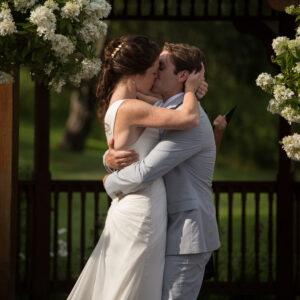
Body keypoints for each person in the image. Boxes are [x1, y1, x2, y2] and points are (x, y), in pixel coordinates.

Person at [67, 35, 205, 300]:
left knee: (126, 279)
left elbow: (156, 98)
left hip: (129, 203)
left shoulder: (119, 103)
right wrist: (189, 89)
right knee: (136, 282)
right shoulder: (132, 107)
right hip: (143, 206)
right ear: (134, 76)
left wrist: (192, 87)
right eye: (153, 73)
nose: (155, 79)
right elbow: (187, 117)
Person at [103, 42, 227, 300]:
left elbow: (145, 170)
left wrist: (107, 181)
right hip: (162, 226)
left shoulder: (191, 122)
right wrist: (109, 157)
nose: (154, 72)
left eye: (161, 67)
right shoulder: (162, 109)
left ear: (182, 76)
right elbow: (138, 147)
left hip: (186, 233)